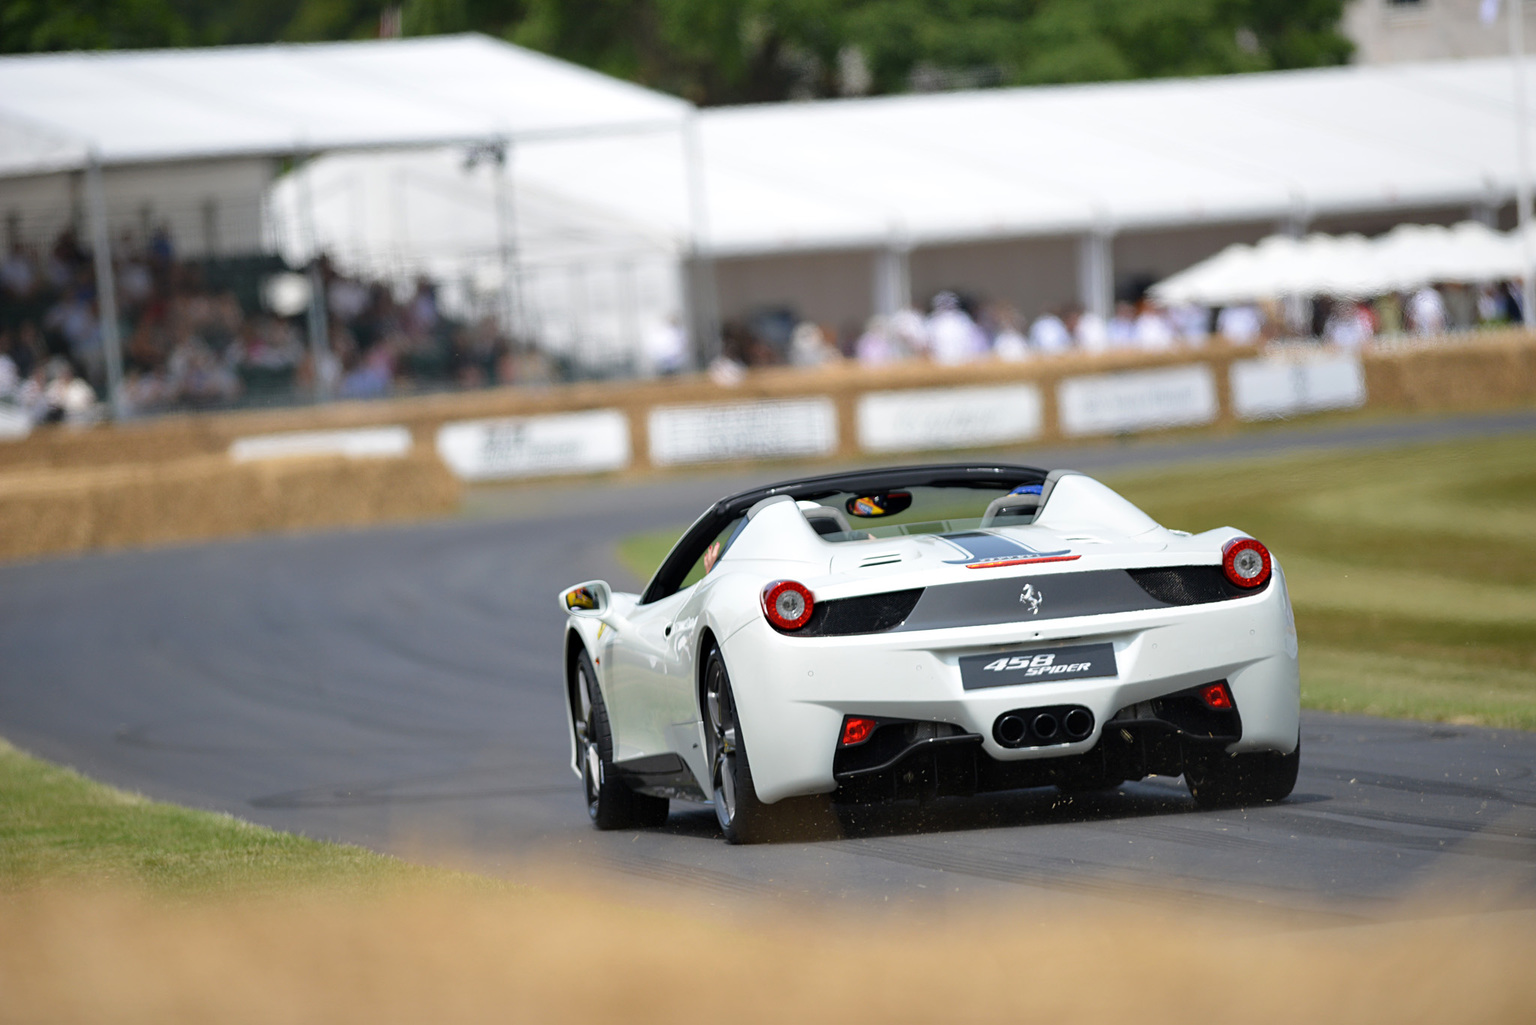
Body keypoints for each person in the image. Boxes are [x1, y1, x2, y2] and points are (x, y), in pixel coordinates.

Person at [925, 291, 987, 365]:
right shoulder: (933, 320)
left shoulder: (962, 319)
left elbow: (972, 340)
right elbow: (927, 343)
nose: (946, 306)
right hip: (939, 362)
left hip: (963, 361)